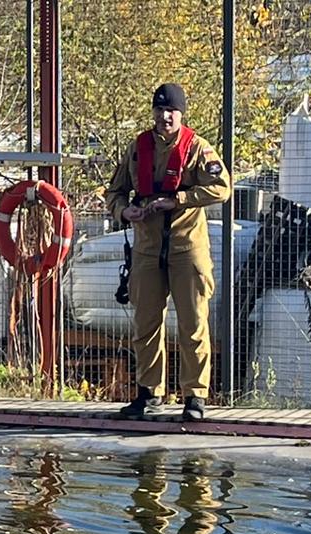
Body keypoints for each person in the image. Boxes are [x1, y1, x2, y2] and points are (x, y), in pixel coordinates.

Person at [105, 83, 232, 422]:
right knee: (146, 322)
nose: (164, 117)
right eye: (159, 111)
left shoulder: (197, 148)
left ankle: (195, 396)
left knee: (192, 323)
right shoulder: (137, 148)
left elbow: (222, 187)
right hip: (147, 249)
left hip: (186, 247)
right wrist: (123, 212)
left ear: (181, 113)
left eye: (170, 111)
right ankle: (149, 392)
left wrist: (180, 200)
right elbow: (115, 192)